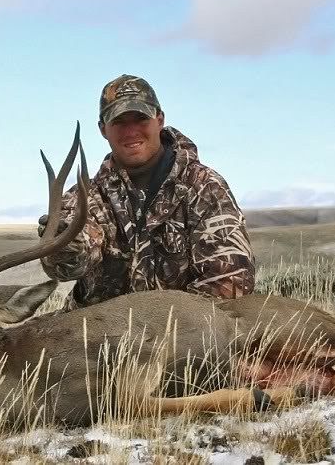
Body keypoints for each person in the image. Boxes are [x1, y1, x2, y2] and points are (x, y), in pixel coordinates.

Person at [39, 74, 255, 309]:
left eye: (141, 118)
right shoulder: (86, 198)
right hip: (97, 338)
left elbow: (231, 280)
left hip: (183, 335)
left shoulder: (204, 187)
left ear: (159, 120)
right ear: (103, 129)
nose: (131, 131)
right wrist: (64, 243)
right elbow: (65, 267)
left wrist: (170, 333)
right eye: (119, 122)